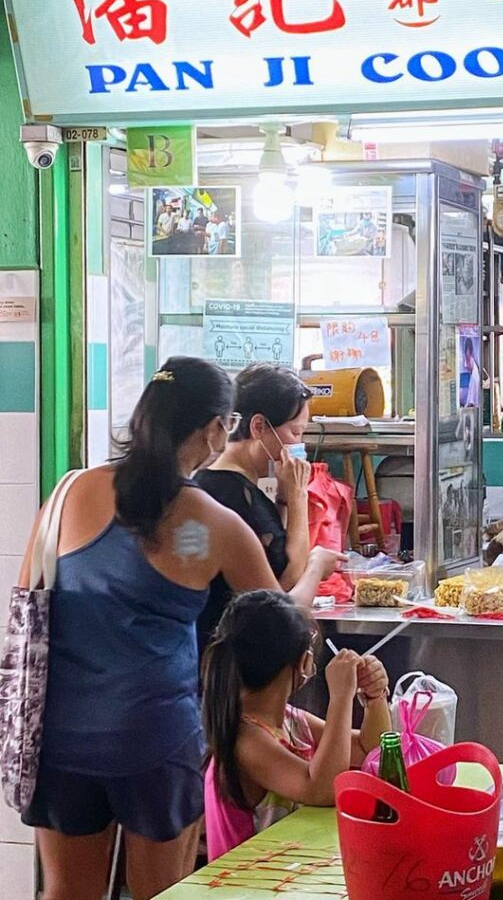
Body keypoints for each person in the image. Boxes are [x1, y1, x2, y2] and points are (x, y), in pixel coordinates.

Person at [18, 357, 306, 900]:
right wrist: (311, 558)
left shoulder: (66, 494)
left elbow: (27, 597)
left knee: (65, 893)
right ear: (215, 429)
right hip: (154, 738)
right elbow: (282, 620)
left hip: (61, 737)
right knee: (162, 893)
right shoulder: (210, 523)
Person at [202, 591, 391, 860]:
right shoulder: (246, 740)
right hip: (248, 887)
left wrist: (374, 696)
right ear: (303, 662)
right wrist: (340, 697)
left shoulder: (291, 720)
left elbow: (372, 750)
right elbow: (321, 790)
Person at [195, 363, 326, 655]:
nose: (299, 444)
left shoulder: (230, 483)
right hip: (231, 660)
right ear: (258, 427)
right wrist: (298, 497)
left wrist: (282, 499)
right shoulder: (234, 497)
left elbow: (273, 554)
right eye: (295, 432)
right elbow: (286, 582)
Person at [462, 336, 481, 408]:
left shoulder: (468, 356)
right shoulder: (472, 355)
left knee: (472, 389)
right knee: (474, 390)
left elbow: (469, 366)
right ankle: (473, 403)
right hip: (475, 373)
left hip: (473, 374)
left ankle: (471, 403)